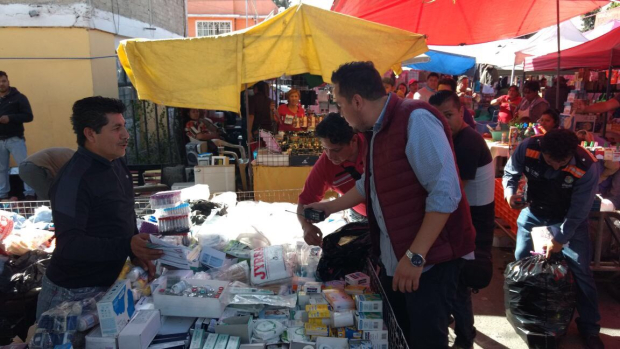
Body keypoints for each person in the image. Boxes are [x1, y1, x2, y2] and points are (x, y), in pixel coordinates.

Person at [307, 61, 475, 348]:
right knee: (402, 335)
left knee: (427, 339)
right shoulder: (376, 130)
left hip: (429, 261)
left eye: (340, 104)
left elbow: (445, 193)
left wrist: (415, 257)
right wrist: (328, 207)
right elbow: (368, 184)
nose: (340, 112)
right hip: (398, 259)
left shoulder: (415, 120)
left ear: (357, 101)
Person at [36, 97, 164, 319]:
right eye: (116, 128)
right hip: (71, 294)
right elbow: (70, 245)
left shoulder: (117, 163)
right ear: (90, 134)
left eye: (124, 126)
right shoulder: (73, 179)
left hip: (109, 284)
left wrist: (135, 252)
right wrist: (127, 245)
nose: (125, 135)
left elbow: (123, 214)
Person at [503, 129, 604, 349]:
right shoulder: (527, 147)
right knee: (522, 262)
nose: (556, 167)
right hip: (534, 213)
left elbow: (579, 210)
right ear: (542, 151)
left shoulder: (587, 165)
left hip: (569, 220)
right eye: (550, 161)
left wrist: (560, 239)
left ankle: (590, 327)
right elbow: (510, 173)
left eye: (563, 162)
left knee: (581, 271)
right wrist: (510, 193)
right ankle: (528, 316)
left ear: (572, 153)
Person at [429, 91, 495, 349]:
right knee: (452, 282)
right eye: (438, 117)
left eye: (448, 115)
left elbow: (452, 191)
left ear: (461, 112)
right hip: (464, 216)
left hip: (473, 221)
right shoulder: (454, 138)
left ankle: (465, 338)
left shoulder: (468, 141)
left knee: (459, 284)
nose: (444, 122)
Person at [297, 113, 367, 246]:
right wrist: (306, 226)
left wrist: (329, 207)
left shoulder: (372, 145)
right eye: (325, 149)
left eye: (336, 150)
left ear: (354, 140)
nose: (329, 156)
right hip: (361, 216)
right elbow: (304, 202)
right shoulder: (325, 165)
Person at [0, 71, 35, 200]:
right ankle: (2, 196)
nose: (1, 84)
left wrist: (10, 118)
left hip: (15, 139)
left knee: (24, 167)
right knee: (1, 170)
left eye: (3, 81)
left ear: (8, 82)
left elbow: (29, 116)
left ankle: (30, 194)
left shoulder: (19, 97)